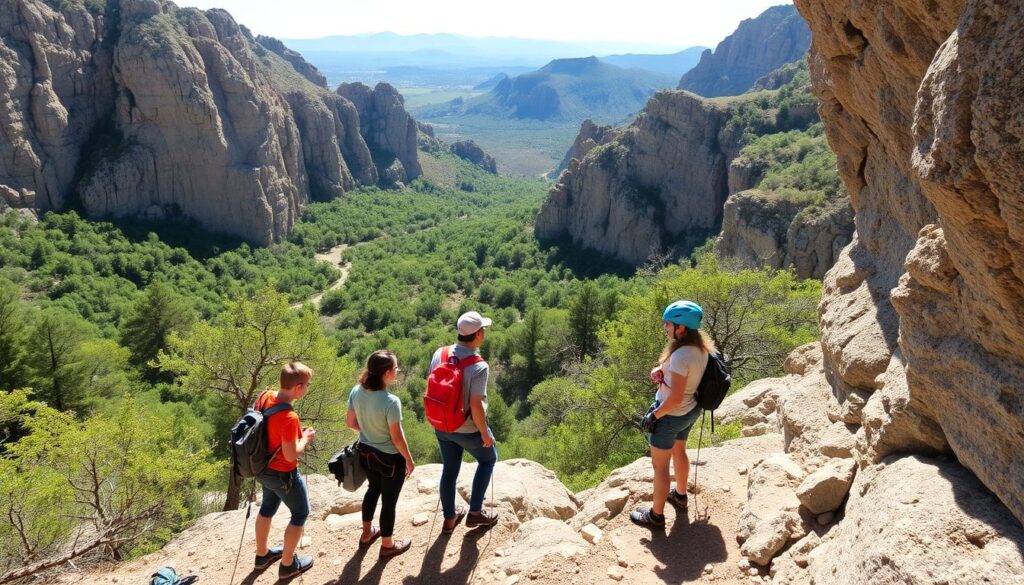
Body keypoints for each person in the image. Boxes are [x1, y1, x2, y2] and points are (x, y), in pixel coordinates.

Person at [630, 301, 714, 528]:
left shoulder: (680, 355)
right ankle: (680, 495)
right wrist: (662, 371)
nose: (665, 327)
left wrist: (654, 416)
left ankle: (656, 516)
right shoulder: (701, 349)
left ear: (681, 328)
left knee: (660, 467)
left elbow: (674, 398)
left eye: (668, 324)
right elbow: (686, 380)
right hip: (689, 411)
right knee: (679, 451)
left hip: (670, 415)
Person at [430, 311, 499, 533]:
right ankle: (475, 513)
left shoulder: (439, 354)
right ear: (478, 334)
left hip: (441, 424)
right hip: (467, 428)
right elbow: (476, 405)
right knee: (488, 459)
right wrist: (485, 433)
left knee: (449, 471)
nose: (485, 333)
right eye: (484, 330)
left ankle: (449, 518)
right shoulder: (479, 366)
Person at [346, 350, 416, 559]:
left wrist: (368, 432)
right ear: (386, 373)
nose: (397, 371)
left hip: (366, 452)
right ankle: (387, 544)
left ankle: (367, 534)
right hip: (390, 459)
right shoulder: (390, 401)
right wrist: (409, 461)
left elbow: (350, 423)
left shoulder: (356, 391)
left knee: (373, 489)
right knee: (389, 501)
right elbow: (396, 438)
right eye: (395, 368)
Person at [253, 362, 316, 579]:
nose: (308, 388)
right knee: (300, 513)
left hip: (262, 467)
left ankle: (262, 555)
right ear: (298, 388)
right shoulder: (289, 417)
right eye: (307, 385)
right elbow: (291, 454)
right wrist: (305, 438)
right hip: (282, 473)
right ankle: (288, 565)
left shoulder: (264, 396)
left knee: (268, 506)